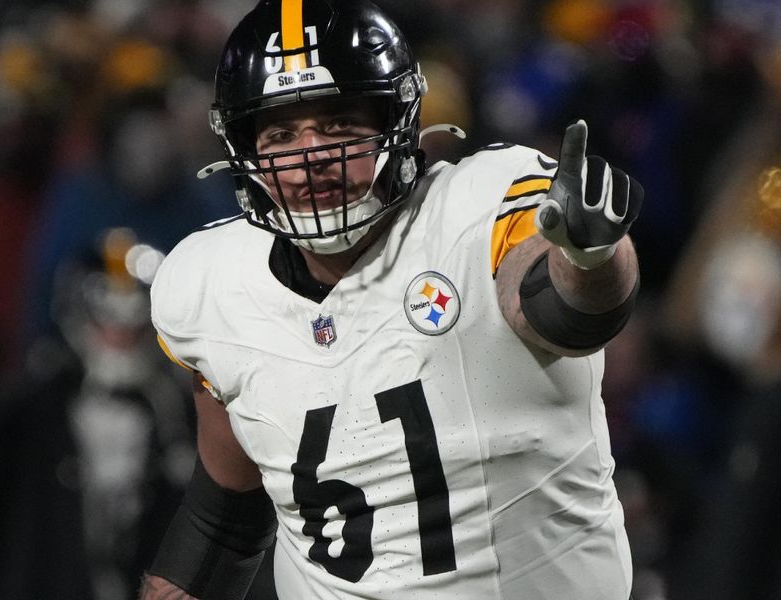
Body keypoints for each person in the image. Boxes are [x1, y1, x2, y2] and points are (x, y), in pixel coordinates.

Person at [141, 0, 643, 598]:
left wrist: (587, 256)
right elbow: (224, 512)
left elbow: (561, 310)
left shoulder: (477, 206)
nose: (311, 159)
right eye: (280, 134)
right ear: (244, 149)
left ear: (397, 119)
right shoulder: (211, 283)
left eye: (338, 125)